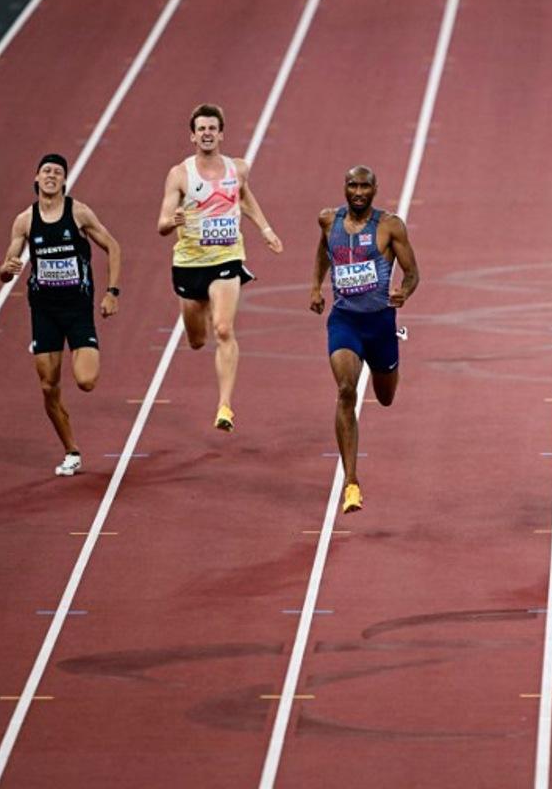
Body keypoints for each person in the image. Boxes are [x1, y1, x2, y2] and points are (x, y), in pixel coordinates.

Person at [156, 103, 283, 431]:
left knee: (224, 329)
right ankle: (198, 314)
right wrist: (175, 220)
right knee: (197, 340)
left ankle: (225, 406)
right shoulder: (179, 174)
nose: (207, 133)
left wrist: (266, 230)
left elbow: (244, 198)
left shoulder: (238, 168)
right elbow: (162, 224)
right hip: (188, 263)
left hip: (226, 259)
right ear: (193, 136)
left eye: (213, 128)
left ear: (221, 134)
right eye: (202, 129)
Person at [0, 153, 122, 476]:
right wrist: (6, 269)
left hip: (78, 310)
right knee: (48, 386)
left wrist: (112, 292)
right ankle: (72, 450)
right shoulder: (25, 220)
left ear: (64, 181)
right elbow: (8, 265)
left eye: (57, 172)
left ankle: (85, 347)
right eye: (46, 171)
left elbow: (114, 246)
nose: (51, 175)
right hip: (44, 311)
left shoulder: (78, 213)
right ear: (37, 179)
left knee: (86, 381)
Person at [309, 166, 419, 513]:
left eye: (364, 186)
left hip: (381, 325)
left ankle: (390, 359)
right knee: (345, 390)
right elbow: (322, 252)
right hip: (345, 322)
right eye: (352, 185)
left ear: (374, 190)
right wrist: (315, 286)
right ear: (344, 187)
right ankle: (351, 482)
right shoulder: (329, 221)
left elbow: (413, 271)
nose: (358, 192)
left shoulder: (390, 226)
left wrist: (404, 291)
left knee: (385, 398)